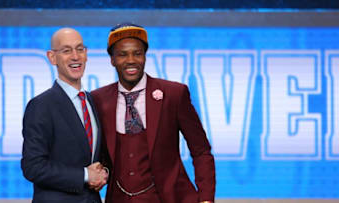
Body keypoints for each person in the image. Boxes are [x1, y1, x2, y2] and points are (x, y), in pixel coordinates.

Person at [91, 23, 215, 203]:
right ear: (112, 59)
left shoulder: (174, 94)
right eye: (122, 54)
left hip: (171, 197)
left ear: (145, 56)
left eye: (137, 53)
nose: (131, 60)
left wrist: (206, 199)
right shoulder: (98, 99)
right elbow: (101, 155)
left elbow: (201, 151)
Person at [21, 28, 108, 203]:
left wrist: (103, 172)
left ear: (86, 54)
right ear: (52, 57)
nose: (75, 56)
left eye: (80, 49)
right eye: (66, 50)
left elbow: (97, 156)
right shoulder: (41, 106)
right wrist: (84, 175)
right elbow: (33, 166)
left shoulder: (95, 101)